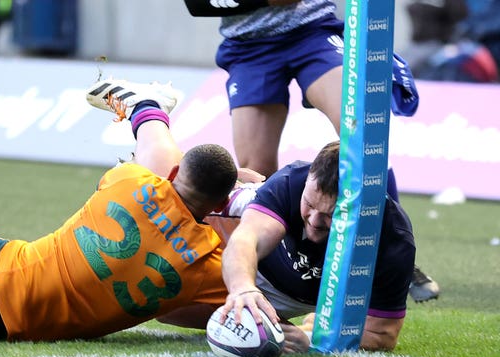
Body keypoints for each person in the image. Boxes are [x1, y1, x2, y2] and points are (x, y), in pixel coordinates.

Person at [0, 78, 239, 341]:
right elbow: (223, 298)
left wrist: (148, 113)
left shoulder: (130, 181)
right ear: (220, 204)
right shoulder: (207, 266)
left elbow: (156, 163)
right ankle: (145, 106)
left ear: (174, 174)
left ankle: (144, 103)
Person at [183, 0, 440, 302]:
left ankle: (392, 256)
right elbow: (198, 4)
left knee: (360, 132)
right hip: (249, 45)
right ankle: (292, 262)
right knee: (257, 170)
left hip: (312, 33)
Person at [211, 141, 416, 354]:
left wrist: (312, 339)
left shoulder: (394, 238)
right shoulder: (290, 183)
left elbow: (384, 334)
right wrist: (243, 288)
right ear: (308, 178)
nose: (315, 221)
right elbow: (245, 240)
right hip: (239, 253)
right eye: (309, 204)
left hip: (301, 293)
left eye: (331, 214)